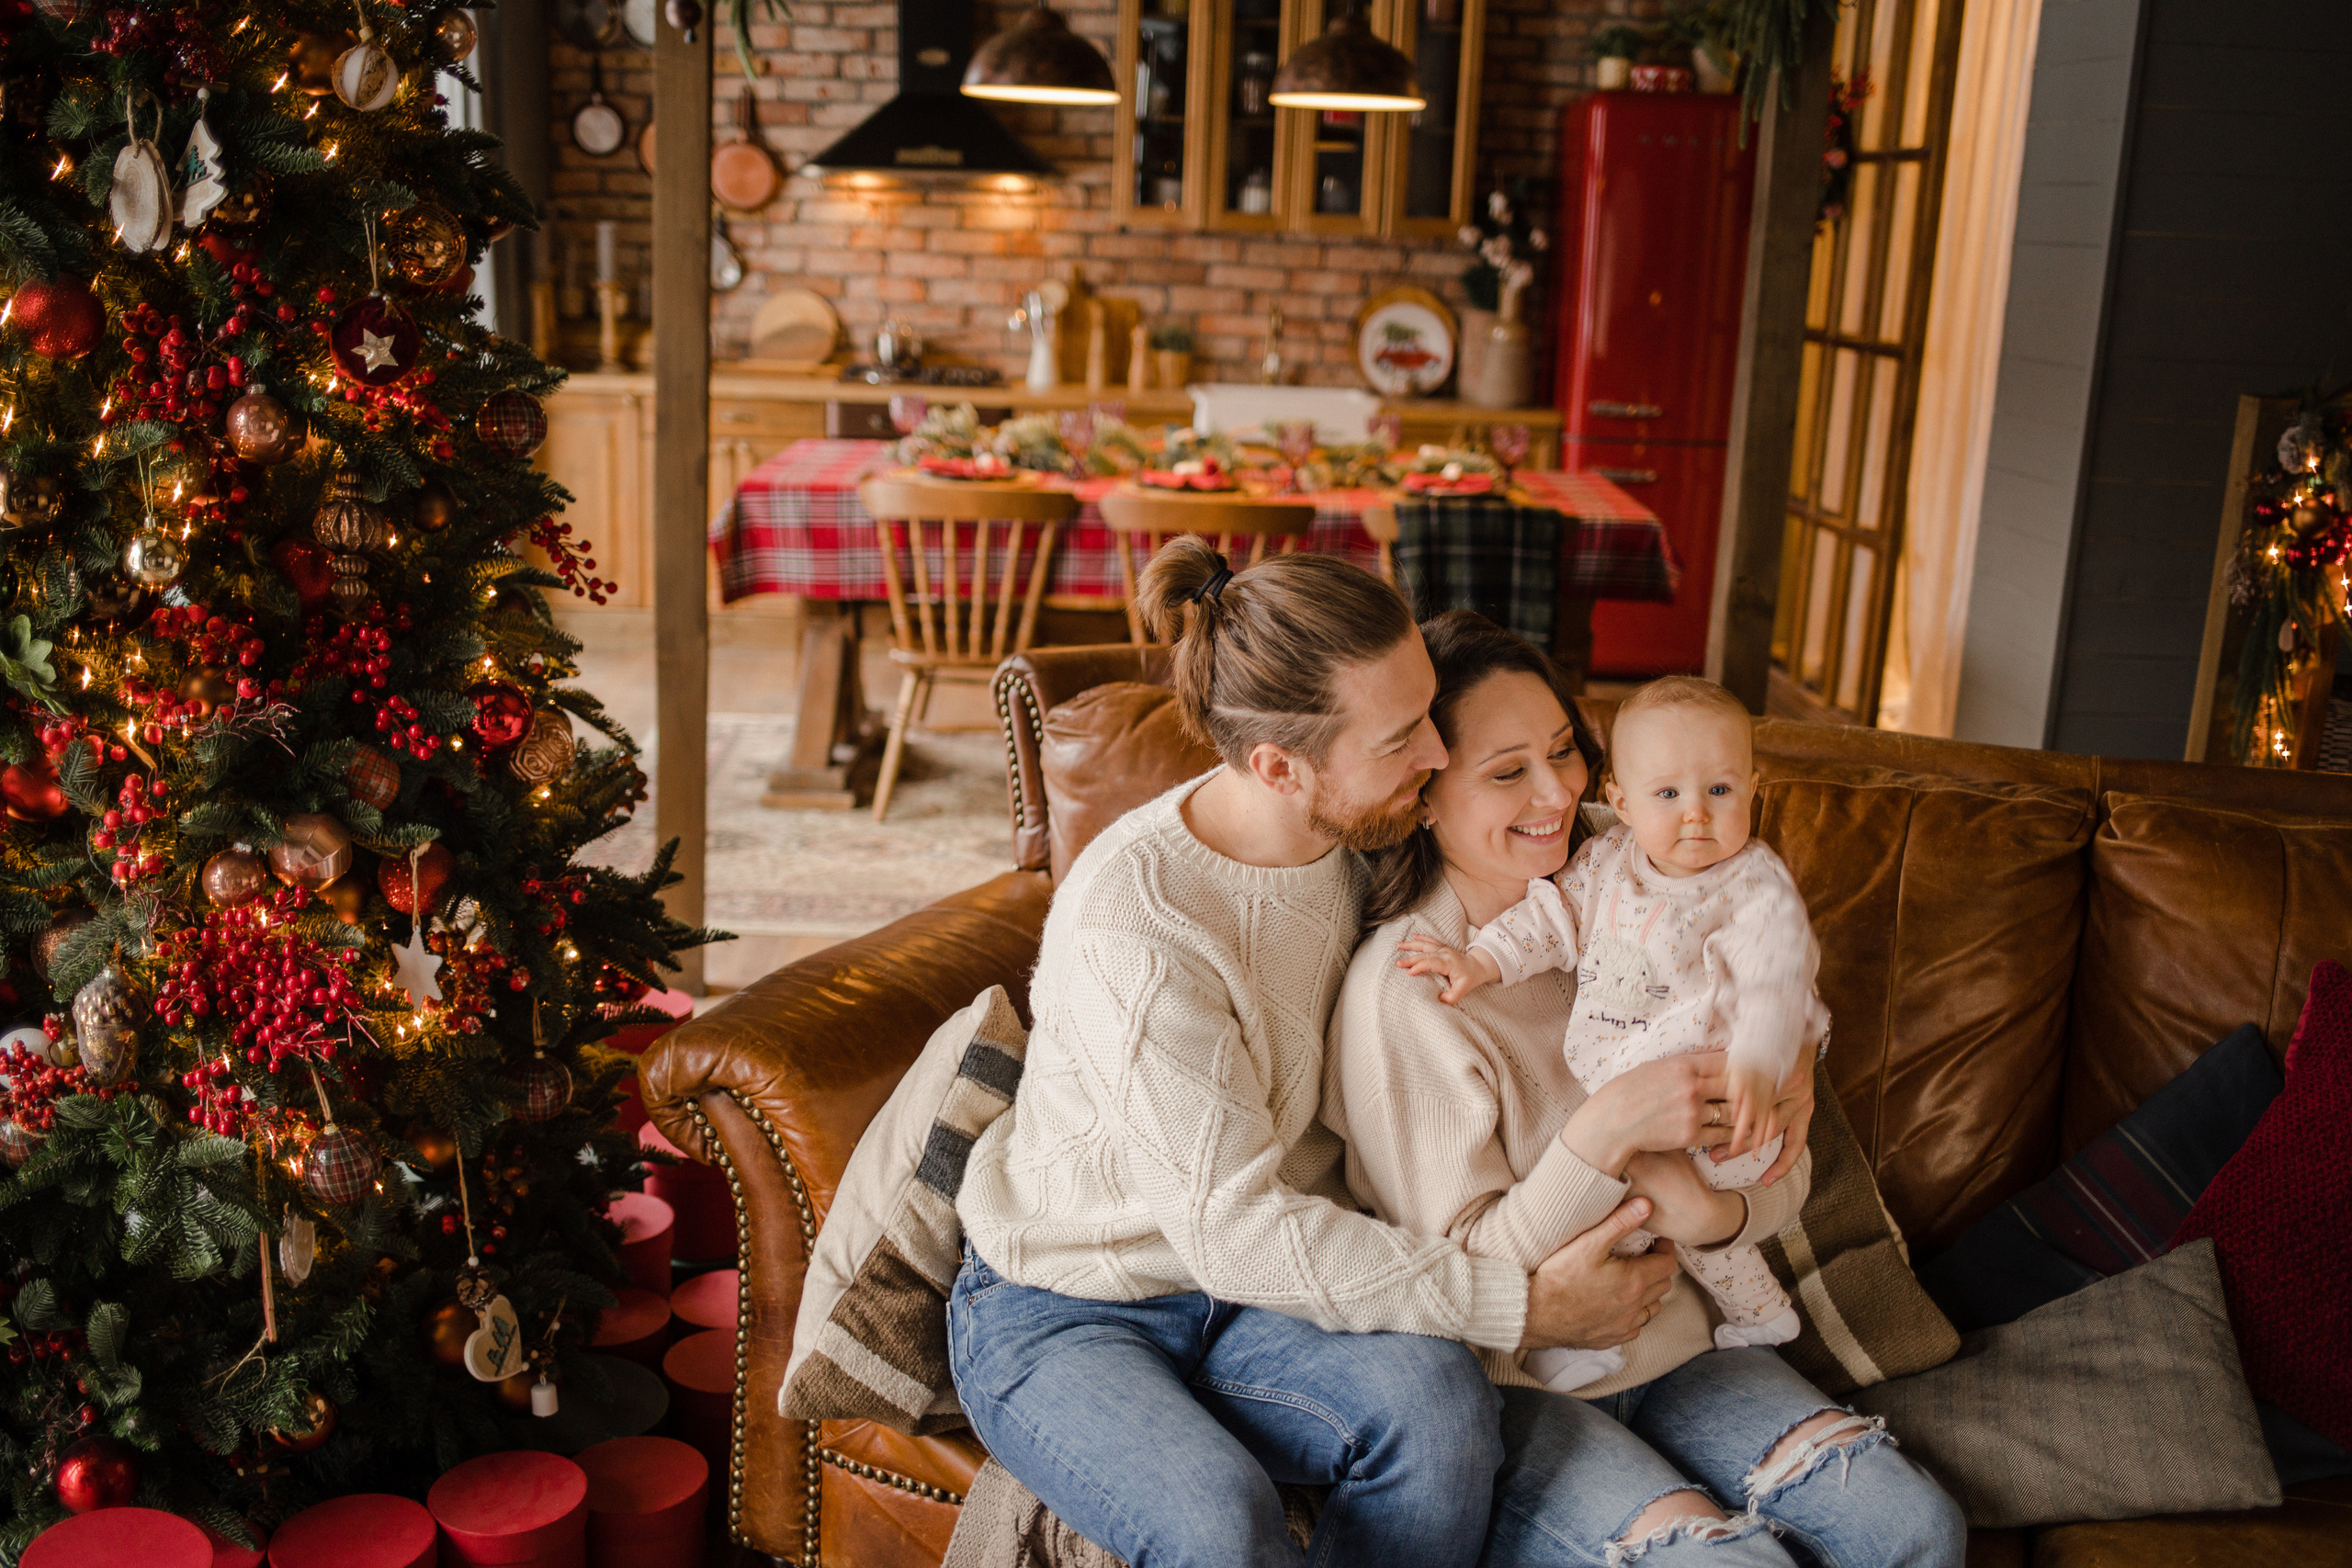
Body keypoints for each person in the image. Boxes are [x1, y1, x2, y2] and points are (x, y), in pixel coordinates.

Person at [951, 545, 1678, 1568]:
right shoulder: (1142, 922)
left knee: (1437, 1404)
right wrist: (1522, 1303)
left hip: (1253, 1302)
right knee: (1216, 1522)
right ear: (1278, 768)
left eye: (1428, 710)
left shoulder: (1368, 828)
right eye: (1400, 739)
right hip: (1072, 1305)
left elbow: (1568, 842)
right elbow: (1235, 1231)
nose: (1438, 751)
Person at [1326, 612, 1965, 1568]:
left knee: (1915, 1529)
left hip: (1688, 1345)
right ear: (1422, 793)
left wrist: (1716, 1213)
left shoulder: (1658, 872)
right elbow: (1451, 1274)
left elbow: (1779, 1167)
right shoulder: (1407, 995)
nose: (1556, 795)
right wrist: (1606, 1132)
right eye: (1507, 772)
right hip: (1524, 1388)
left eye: (1563, 753)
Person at [1395, 674, 1826, 1392]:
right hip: (1628, 1115)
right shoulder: (1606, 862)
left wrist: (1773, 1054)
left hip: (1718, 1106)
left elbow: (1781, 972)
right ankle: (1593, 1337)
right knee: (1615, 1210)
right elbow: (1547, 922)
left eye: (1720, 791)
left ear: (1754, 789)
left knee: (1688, 1215)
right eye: (1667, 795)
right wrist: (1479, 960)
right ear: (1624, 800)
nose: (1695, 815)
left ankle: (1755, 1314)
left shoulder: (1752, 883)